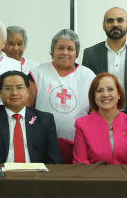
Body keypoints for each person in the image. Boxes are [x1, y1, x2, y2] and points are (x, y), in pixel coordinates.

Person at [29, 29, 96, 163]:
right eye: (60, 48)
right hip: (42, 143)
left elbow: (94, 112)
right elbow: (28, 110)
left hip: (78, 144)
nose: (65, 52)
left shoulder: (88, 76)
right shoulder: (38, 73)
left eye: (70, 48)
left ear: (76, 53)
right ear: (52, 50)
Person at [0, 70, 62, 164]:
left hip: (35, 172)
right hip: (0, 171)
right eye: (8, 88)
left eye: (19, 88)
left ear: (27, 91)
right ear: (0, 93)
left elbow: (55, 160)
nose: (14, 93)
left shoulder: (45, 120)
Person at [82, 7, 127, 115]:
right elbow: (86, 90)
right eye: (110, 21)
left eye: (120, 20)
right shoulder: (90, 54)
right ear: (103, 25)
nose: (115, 24)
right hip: (102, 117)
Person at [72, 73, 127, 164]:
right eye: (99, 90)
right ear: (93, 96)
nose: (105, 94)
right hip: (92, 173)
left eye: (110, 89)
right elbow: (80, 161)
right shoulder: (82, 124)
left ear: (119, 94)